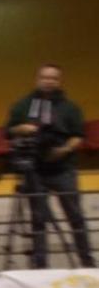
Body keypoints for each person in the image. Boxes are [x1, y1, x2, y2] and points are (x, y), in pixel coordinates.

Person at [6, 63, 93, 269]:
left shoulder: (70, 107)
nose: (49, 81)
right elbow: (9, 131)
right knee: (38, 220)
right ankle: (40, 265)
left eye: (53, 78)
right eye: (45, 77)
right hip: (34, 170)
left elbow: (78, 135)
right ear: (38, 79)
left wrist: (63, 150)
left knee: (75, 217)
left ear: (59, 81)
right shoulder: (23, 105)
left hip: (63, 169)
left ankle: (87, 263)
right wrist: (23, 128)